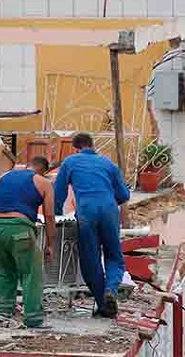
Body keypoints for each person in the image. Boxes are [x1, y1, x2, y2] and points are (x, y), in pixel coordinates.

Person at [54, 133, 130, 319]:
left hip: (86, 212)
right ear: (92, 145)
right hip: (110, 210)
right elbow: (124, 195)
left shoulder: (70, 162)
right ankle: (111, 289)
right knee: (114, 256)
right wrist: (110, 202)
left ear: (76, 148)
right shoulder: (108, 164)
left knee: (90, 260)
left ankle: (103, 304)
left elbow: (58, 193)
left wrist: (55, 216)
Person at [0, 157, 55, 328]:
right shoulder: (43, 182)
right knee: (31, 273)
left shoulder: (4, 176)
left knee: (5, 270)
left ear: (26, 165)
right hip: (20, 229)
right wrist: (50, 244)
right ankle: (33, 319)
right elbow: (50, 216)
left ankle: (5, 312)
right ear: (43, 171)